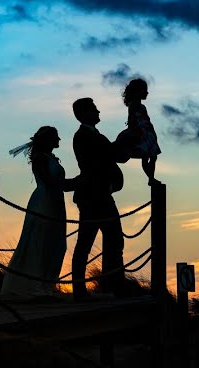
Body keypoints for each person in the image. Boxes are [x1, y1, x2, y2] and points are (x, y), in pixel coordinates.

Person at [1, 126, 76, 297]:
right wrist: (77, 183)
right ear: (48, 140)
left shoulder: (49, 157)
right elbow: (50, 182)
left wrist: (75, 183)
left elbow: (58, 183)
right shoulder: (40, 158)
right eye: (56, 137)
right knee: (40, 241)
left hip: (56, 201)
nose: (59, 140)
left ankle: (46, 284)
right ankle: (32, 285)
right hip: (44, 202)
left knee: (56, 243)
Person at [70, 97, 125, 300]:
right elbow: (96, 165)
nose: (99, 112)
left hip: (101, 196)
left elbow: (112, 155)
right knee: (85, 243)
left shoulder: (94, 136)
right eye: (94, 109)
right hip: (93, 198)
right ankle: (80, 290)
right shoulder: (83, 137)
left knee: (114, 241)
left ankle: (113, 286)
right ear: (84, 114)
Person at [116, 78, 161, 186]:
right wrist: (135, 131)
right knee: (146, 156)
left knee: (153, 157)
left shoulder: (142, 106)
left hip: (147, 133)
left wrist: (152, 133)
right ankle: (151, 178)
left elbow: (147, 120)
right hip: (140, 132)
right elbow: (132, 119)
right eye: (144, 90)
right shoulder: (133, 105)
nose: (146, 92)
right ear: (137, 91)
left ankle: (151, 178)